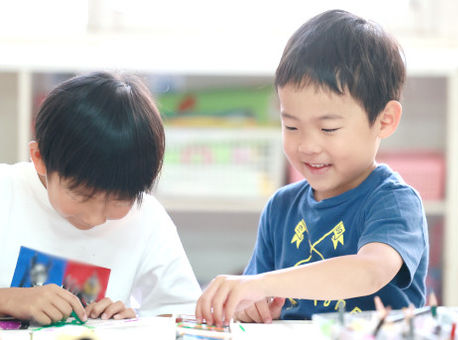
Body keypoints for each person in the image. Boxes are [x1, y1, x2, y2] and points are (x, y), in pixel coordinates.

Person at [195, 9, 429, 325]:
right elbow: (253, 298)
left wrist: (263, 283)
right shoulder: (281, 208)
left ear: (384, 121)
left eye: (328, 129)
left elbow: (369, 271)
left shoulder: (394, 202)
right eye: (291, 126)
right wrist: (248, 306)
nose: (306, 145)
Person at [0, 72, 201, 325]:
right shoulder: (6, 192)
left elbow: (187, 315)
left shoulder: (149, 220)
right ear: (39, 158)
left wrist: (134, 321)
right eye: (82, 195)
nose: (95, 217)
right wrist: (7, 299)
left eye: (119, 199)